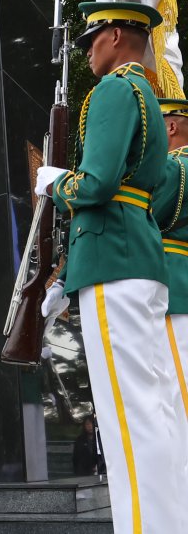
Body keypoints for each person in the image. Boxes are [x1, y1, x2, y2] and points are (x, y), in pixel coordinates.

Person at [35, 2, 181, 532]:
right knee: (152, 411)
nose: (88, 49)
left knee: (129, 419)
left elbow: (94, 185)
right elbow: (147, 186)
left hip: (113, 262)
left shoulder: (116, 90)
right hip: (133, 257)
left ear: (116, 34)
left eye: (93, 38)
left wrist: (54, 182)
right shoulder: (145, 95)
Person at [152, 97, 188, 484]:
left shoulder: (178, 167)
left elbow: (145, 215)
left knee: (179, 400)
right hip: (178, 285)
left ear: (172, 127)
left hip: (176, 290)